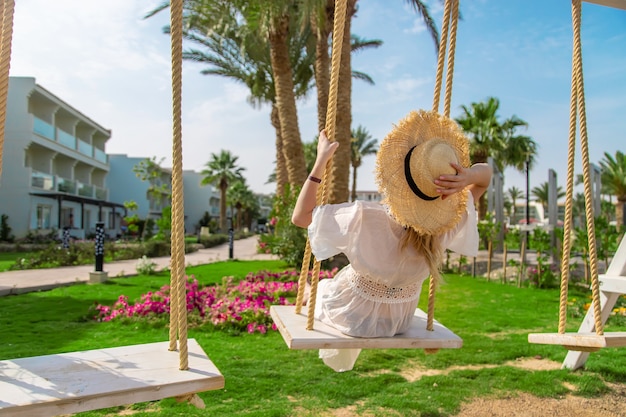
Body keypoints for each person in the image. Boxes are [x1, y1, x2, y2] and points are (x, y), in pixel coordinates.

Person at [291, 110, 492, 372]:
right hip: (399, 321)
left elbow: (301, 217)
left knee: (326, 288)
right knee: (336, 284)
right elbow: (485, 177)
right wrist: (466, 177)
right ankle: (313, 293)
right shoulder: (444, 226)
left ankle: (310, 294)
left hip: (351, 315)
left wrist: (320, 161)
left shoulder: (364, 216)